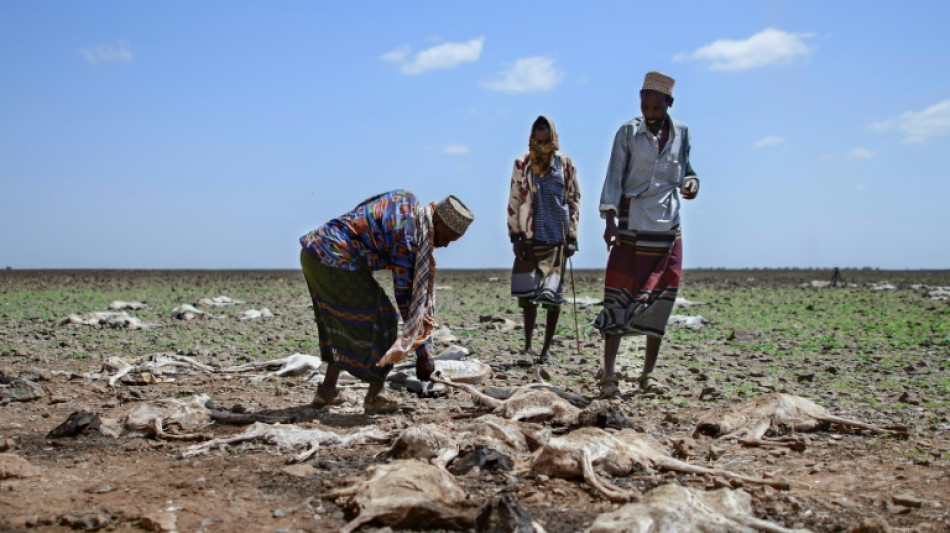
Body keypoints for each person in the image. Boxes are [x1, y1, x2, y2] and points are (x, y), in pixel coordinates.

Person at [299, 190, 474, 413]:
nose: (445, 245)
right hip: (335, 261)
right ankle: (375, 395)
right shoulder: (409, 238)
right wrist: (423, 353)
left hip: (313, 252)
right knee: (385, 321)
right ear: (437, 220)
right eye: (446, 238)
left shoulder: (405, 199)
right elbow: (407, 299)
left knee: (338, 323)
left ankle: (327, 391)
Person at [593, 71, 700, 398]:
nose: (650, 111)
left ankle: (647, 375)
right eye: (645, 104)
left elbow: (687, 170)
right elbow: (614, 177)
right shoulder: (627, 132)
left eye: (656, 106)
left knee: (662, 297)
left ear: (668, 104)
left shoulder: (682, 133)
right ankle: (609, 375)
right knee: (619, 296)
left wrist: (692, 184)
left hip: (668, 227)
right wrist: (610, 220)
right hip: (632, 223)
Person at [507, 116, 580, 365]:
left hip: (556, 238)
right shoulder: (522, 164)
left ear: (554, 139)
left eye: (546, 141)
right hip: (530, 237)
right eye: (537, 141)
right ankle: (527, 348)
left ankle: (546, 350)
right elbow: (515, 200)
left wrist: (572, 235)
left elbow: (573, 199)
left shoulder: (565, 165)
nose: (541, 146)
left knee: (553, 297)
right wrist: (515, 235)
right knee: (528, 296)